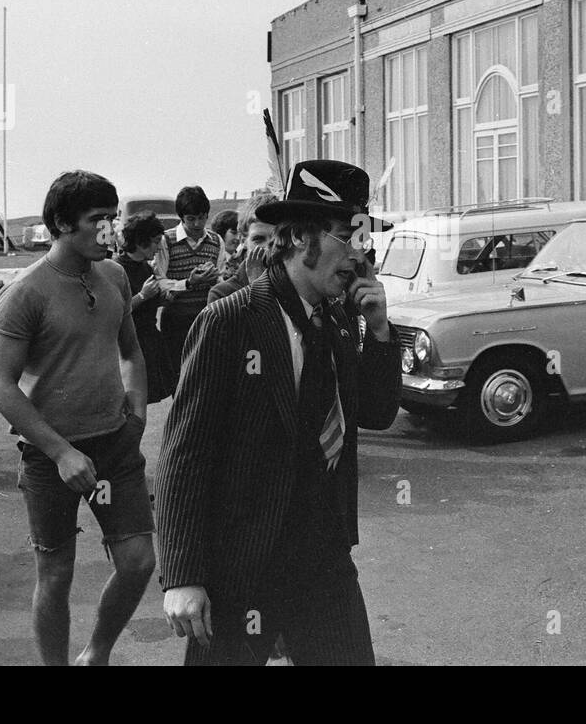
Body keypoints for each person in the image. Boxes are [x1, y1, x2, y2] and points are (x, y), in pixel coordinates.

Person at [157, 159, 402, 666]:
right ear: (299, 238)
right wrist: (182, 575)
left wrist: (379, 331)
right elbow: (186, 454)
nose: (358, 255)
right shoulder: (233, 320)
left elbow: (376, 413)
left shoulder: (336, 319)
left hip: (323, 559)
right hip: (241, 566)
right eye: (346, 237)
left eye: (363, 240)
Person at [0, 171, 154, 666]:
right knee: (56, 574)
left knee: (138, 562)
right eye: (96, 220)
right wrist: (60, 451)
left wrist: (138, 413)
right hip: (49, 454)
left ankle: (96, 652)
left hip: (115, 445)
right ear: (61, 224)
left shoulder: (117, 276)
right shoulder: (25, 292)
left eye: (112, 217)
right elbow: (0, 385)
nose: (110, 230)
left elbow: (132, 352)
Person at [153, 185, 220, 373]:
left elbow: (223, 277)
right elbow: (159, 282)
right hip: (176, 320)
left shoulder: (216, 241)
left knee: (207, 374)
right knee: (178, 375)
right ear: (181, 217)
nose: (197, 224)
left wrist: (216, 278)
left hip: (208, 318)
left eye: (202, 218)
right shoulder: (166, 241)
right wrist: (188, 284)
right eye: (191, 219)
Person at [115, 211, 172, 404]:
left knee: (143, 400)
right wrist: (142, 296)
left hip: (148, 340)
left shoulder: (146, 267)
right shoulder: (117, 269)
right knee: (131, 400)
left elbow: (151, 305)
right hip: (130, 342)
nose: (158, 247)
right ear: (140, 242)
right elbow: (115, 311)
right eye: (155, 241)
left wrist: (164, 298)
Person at [207, 192, 276, 304]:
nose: (268, 248)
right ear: (243, 240)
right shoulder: (223, 294)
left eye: (276, 240)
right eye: (259, 239)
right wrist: (258, 289)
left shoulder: (296, 284)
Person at [209, 209, 240, 281]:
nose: (238, 238)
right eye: (234, 233)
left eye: (240, 233)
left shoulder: (243, 258)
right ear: (221, 232)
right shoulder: (212, 259)